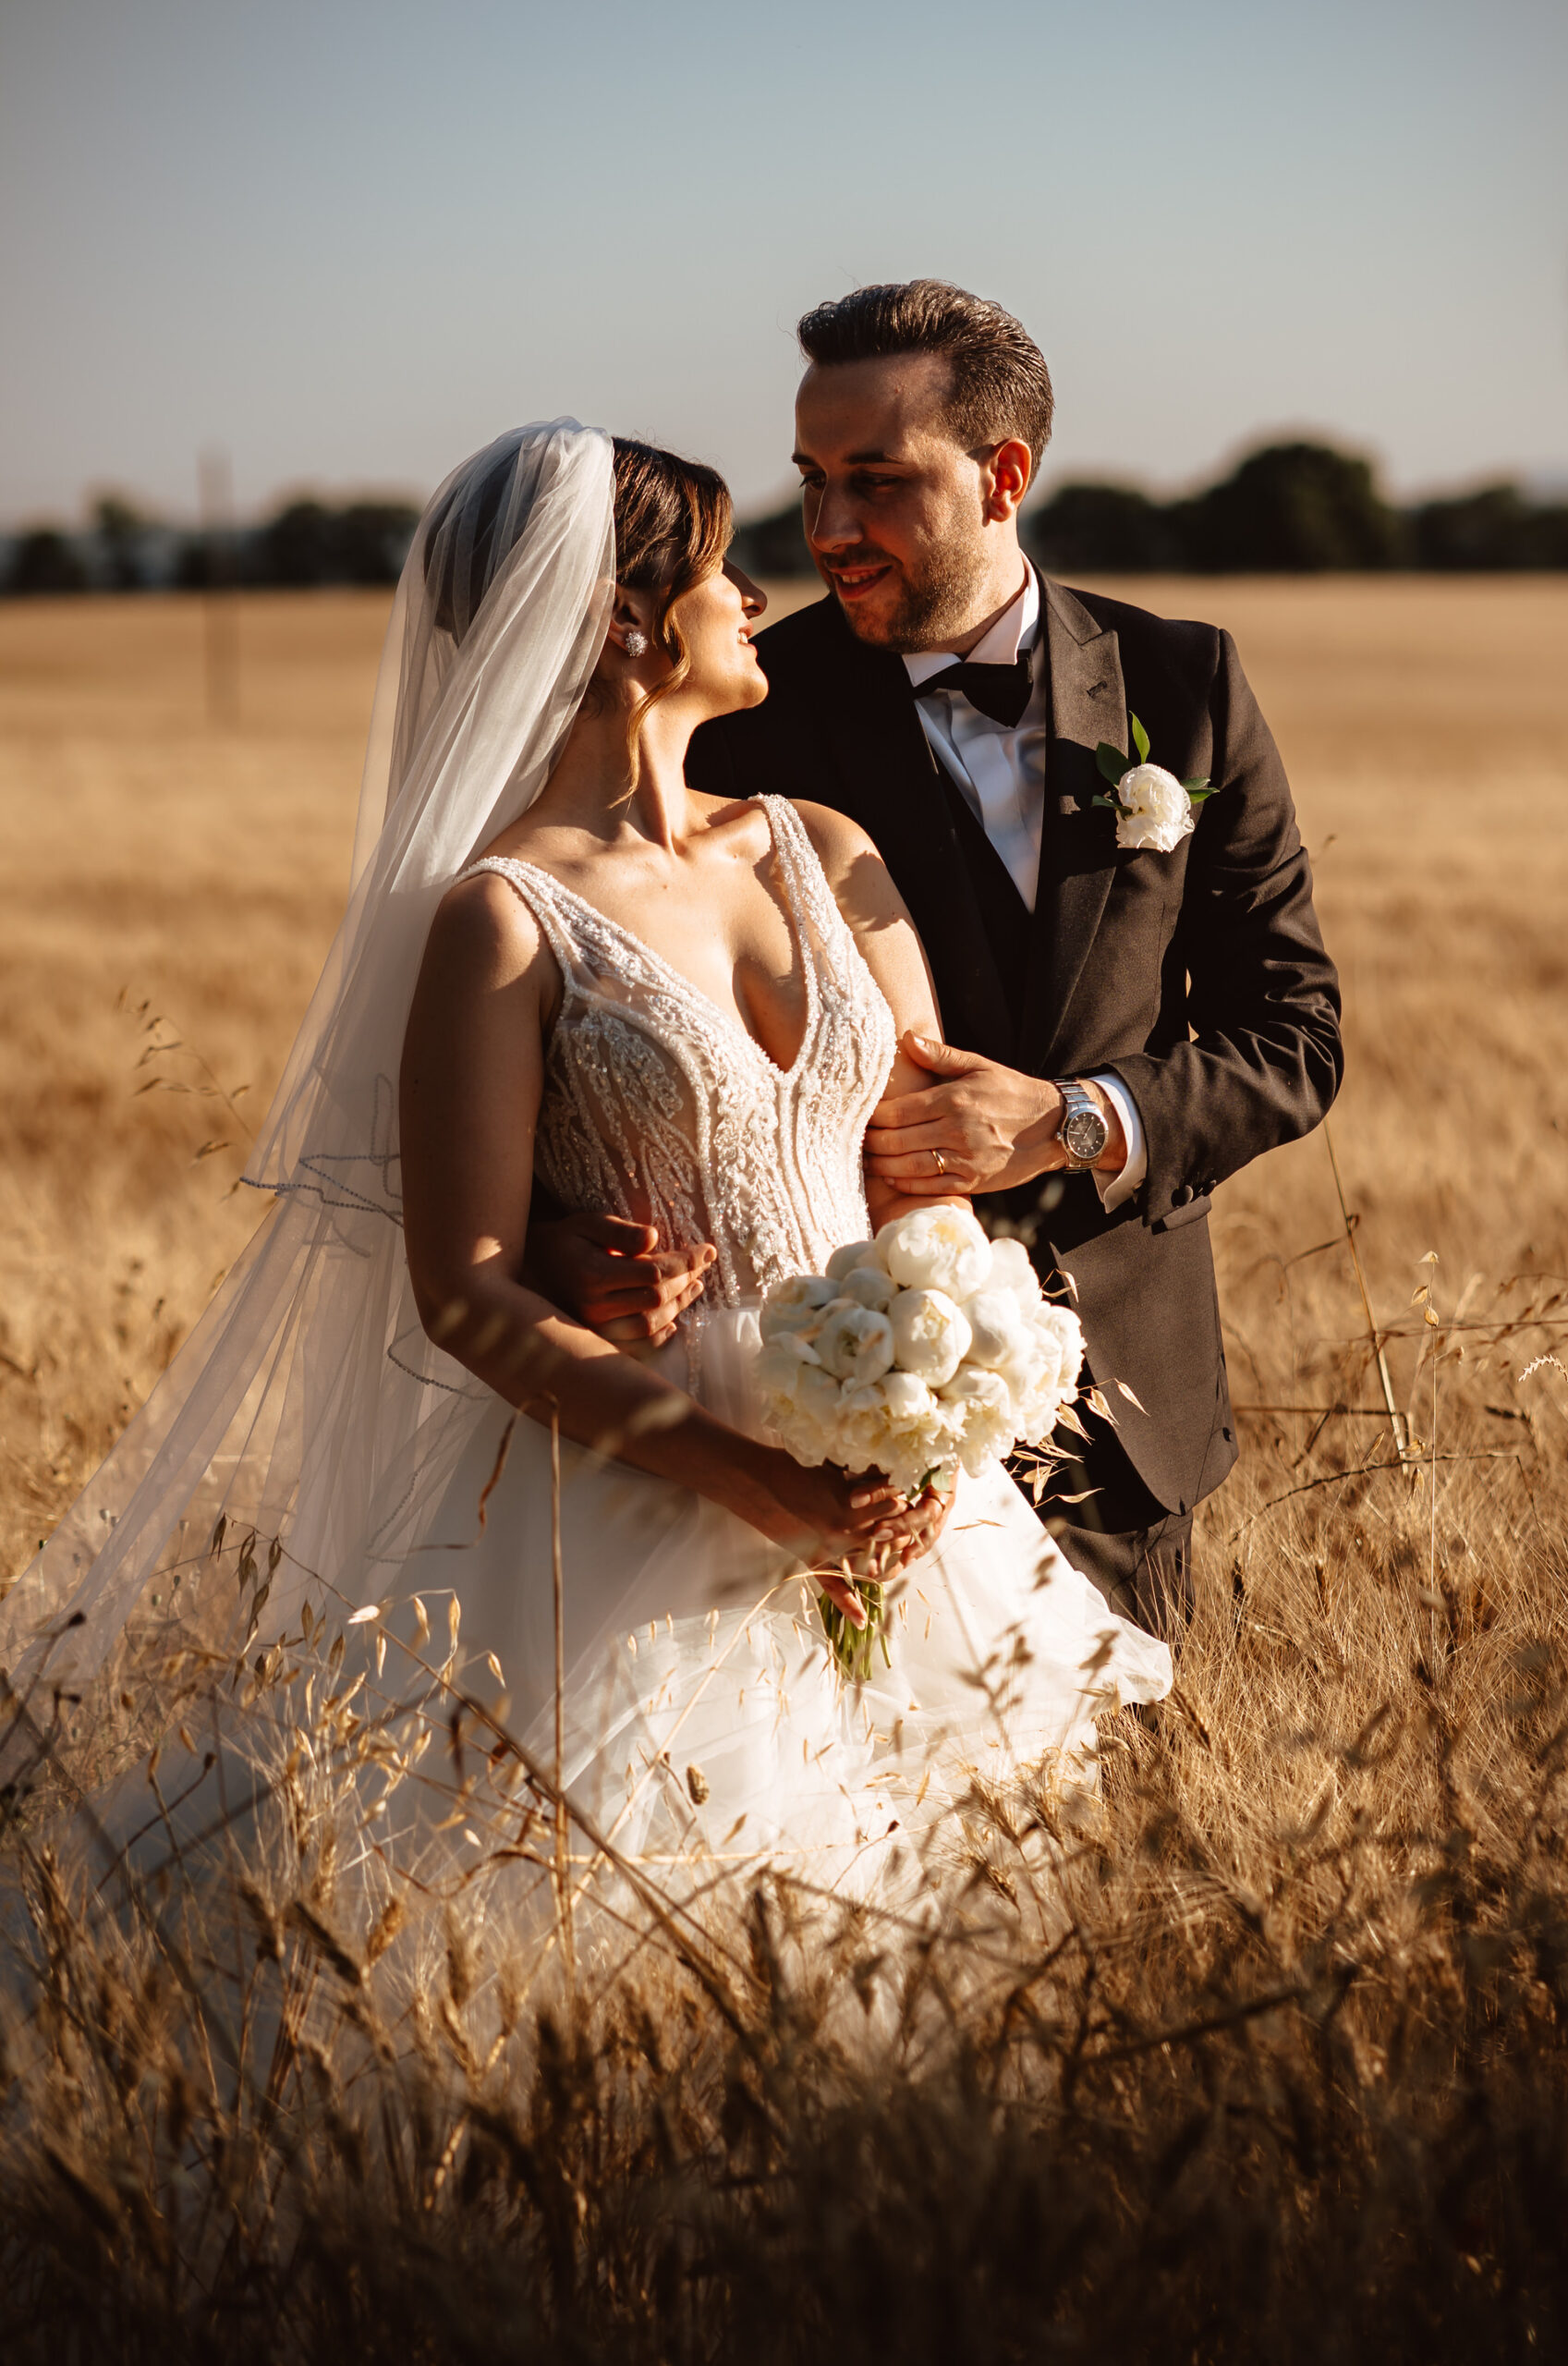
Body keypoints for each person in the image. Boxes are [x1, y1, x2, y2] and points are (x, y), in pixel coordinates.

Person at [0, 421, 1168, 1900]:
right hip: (643, 1483)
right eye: (720, 568)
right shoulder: (501, 919)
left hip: (894, 1472)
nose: (758, 594)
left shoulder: (825, 845)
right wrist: (759, 1480)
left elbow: (914, 1177)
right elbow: (466, 1288)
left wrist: (930, 1432)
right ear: (624, 622)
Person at [547, 280, 1343, 1639]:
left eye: (877, 481)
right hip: (816, 1399)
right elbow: (586, 1030)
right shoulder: (735, 710)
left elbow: (1295, 1035)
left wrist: (1073, 1120)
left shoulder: (1183, 686)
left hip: (1126, 1416)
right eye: (812, 482)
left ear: (1004, 475)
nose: (831, 530)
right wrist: (574, 1255)